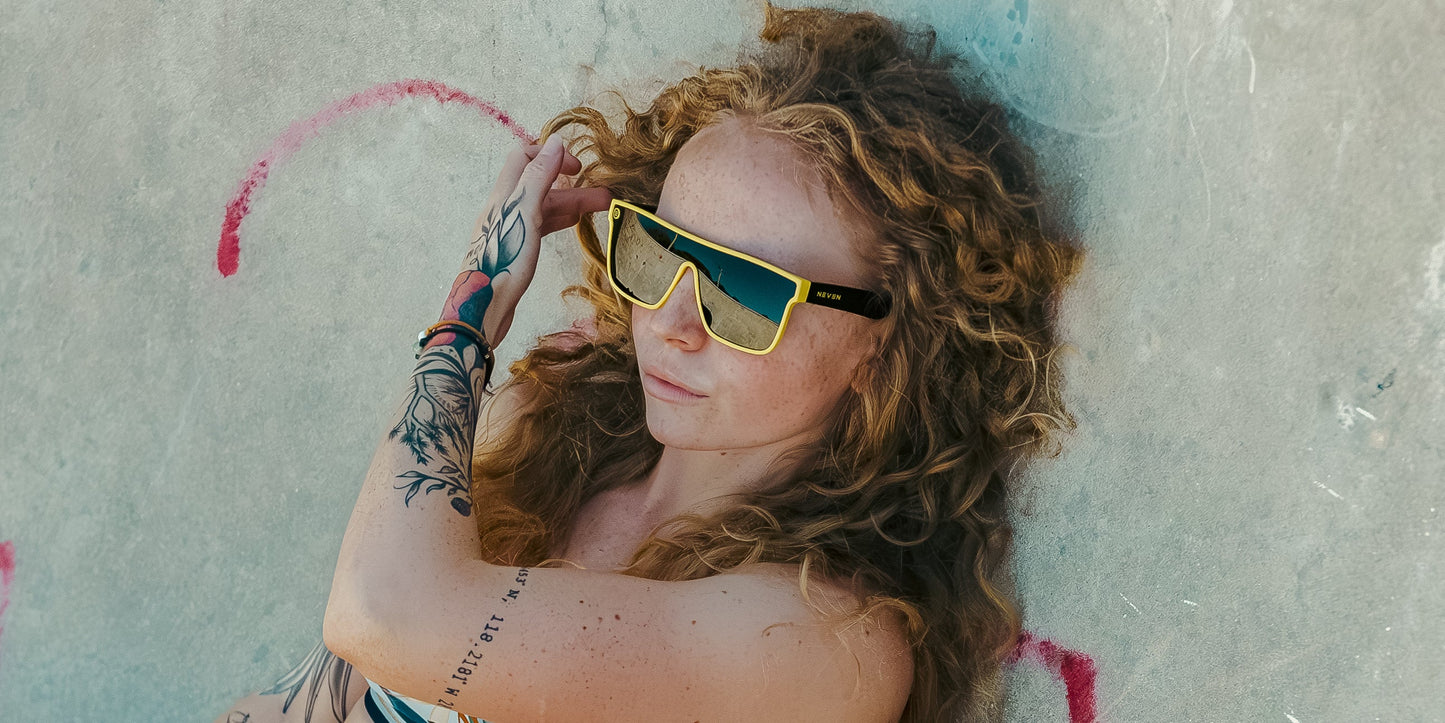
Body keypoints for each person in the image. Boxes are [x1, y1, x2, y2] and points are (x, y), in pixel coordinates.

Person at [213, 2, 1084, 721]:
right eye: (659, 252)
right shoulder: (558, 430)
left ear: (885, 341)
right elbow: (323, 687)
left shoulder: (821, 639)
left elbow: (382, 612)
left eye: (743, 288)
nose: (669, 322)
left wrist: (471, 311)